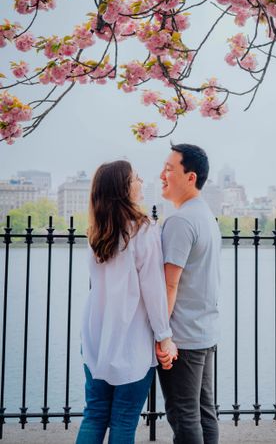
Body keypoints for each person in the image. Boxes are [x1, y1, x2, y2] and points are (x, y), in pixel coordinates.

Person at [76, 160, 177, 444]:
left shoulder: (97, 231)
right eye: (136, 177)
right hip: (131, 336)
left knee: (94, 414)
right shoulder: (143, 230)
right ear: (124, 188)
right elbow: (154, 290)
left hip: (95, 334)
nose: (142, 182)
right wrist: (164, 336)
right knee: (123, 419)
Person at [157, 143, 221, 444]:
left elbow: (170, 284)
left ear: (190, 177)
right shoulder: (206, 215)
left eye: (170, 169)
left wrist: (162, 334)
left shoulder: (181, 221)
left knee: (184, 416)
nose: (162, 174)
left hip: (182, 338)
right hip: (204, 332)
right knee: (203, 412)